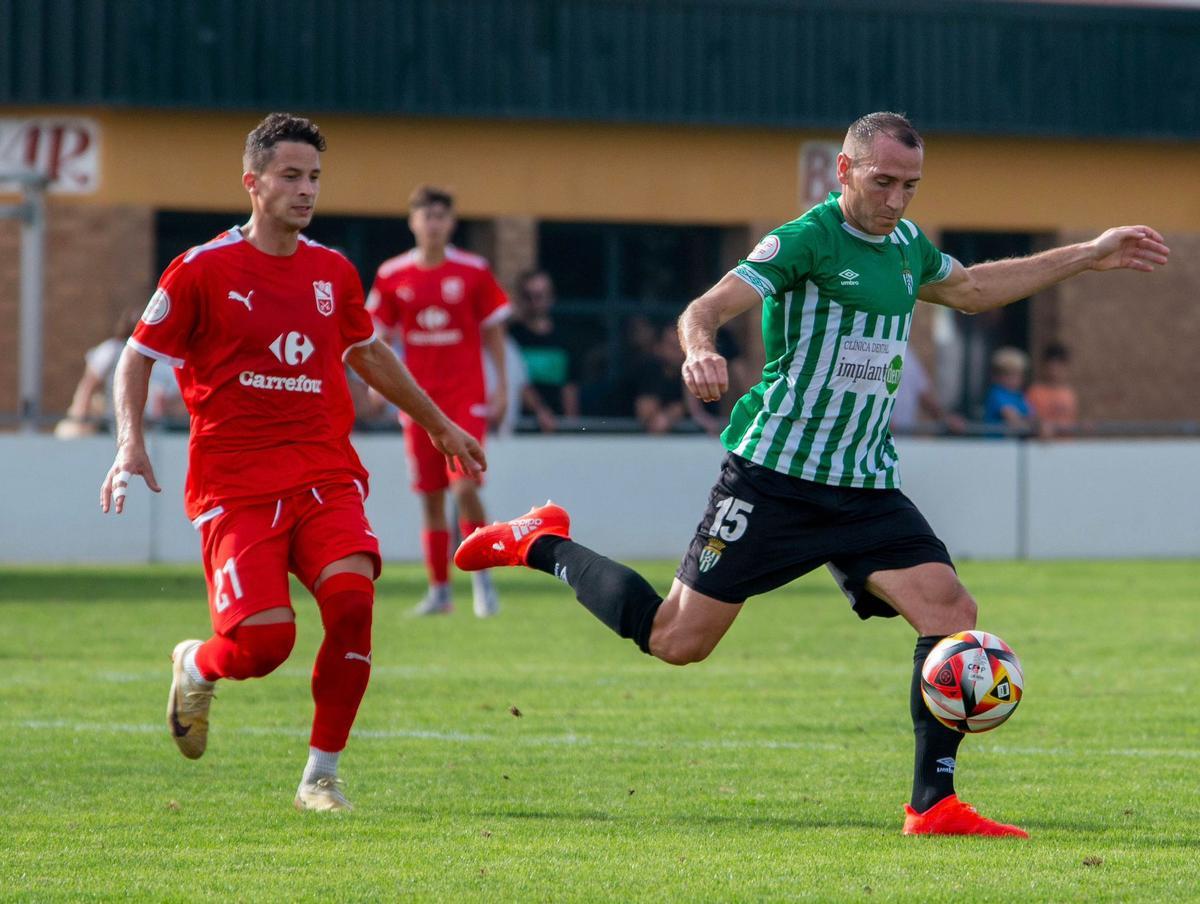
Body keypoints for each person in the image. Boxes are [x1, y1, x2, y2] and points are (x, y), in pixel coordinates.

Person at [454, 112, 1170, 837]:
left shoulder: (906, 245)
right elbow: (705, 308)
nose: (896, 200)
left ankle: (932, 805)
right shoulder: (805, 239)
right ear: (845, 171)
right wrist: (700, 349)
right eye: (884, 181)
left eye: (910, 186)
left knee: (950, 609)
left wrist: (1088, 253)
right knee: (676, 640)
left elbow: (975, 290)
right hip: (773, 478)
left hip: (863, 484)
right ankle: (539, 541)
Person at [99, 113, 485, 812]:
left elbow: (367, 352)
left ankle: (322, 776)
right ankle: (197, 662)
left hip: (323, 472)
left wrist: (440, 424)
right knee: (263, 644)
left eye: (314, 178)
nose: (306, 190)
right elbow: (137, 355)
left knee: (352, 603)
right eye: (291, 177)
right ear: (253, 183)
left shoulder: (332, 271)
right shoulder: (201, 269)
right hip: (235, 484)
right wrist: (130, 441)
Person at [366, 185, 510, 617]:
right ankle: (440, 592)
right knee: (430, 496)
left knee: (464, 485)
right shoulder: (393, 274)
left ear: (451, 223)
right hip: (417, 401)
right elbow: (378, 334)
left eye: (441, 217)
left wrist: (502, 385)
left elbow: (494, 332)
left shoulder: (473, 271)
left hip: (465, 397)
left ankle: (483, 582)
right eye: (426, 217)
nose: (433, 225)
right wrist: (377, 383)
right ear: (413, 222)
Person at [57, 309, 185, 437]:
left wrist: (165, 408)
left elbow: (179, 401)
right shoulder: (113, 351)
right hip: (111, 423)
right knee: (69, 431)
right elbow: (89, 384)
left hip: (152, 428)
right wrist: (80, 418)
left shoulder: (167, 361)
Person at [508, 269, 580, 433]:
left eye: (539, 296)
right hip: (519, 427)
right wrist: (540, 411)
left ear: (551, 298)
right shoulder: (511, 337)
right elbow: (518, 383)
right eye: (528, 296)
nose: (534, 302)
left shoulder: (565, 340)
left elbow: (570, 388)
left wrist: (572, 427)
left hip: (557, 425)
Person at [889, 350, 966, 435]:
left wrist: (946, 419)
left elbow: (925, 396)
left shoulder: (909, 356)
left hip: (903, 437)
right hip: (879, 437)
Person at [1026, 343, 1080, 438]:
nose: (1055, 370)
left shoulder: (1069, 394)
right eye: (1052, 366)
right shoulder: (1035, 392)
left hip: (1065, 446)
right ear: (1044, 366)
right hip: (1042, 447)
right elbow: (1029, 418)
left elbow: (1071, 421)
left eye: (1059, 366)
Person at [982, 346, 1033, 435]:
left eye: (1016, 374)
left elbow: (1032, 416)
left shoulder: (1019, 395)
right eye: (1007, 374)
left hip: (1013, 445)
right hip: (995, 446)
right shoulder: (996, 394)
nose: (1012, 379)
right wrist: (1032, 427)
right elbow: (1012, 419)